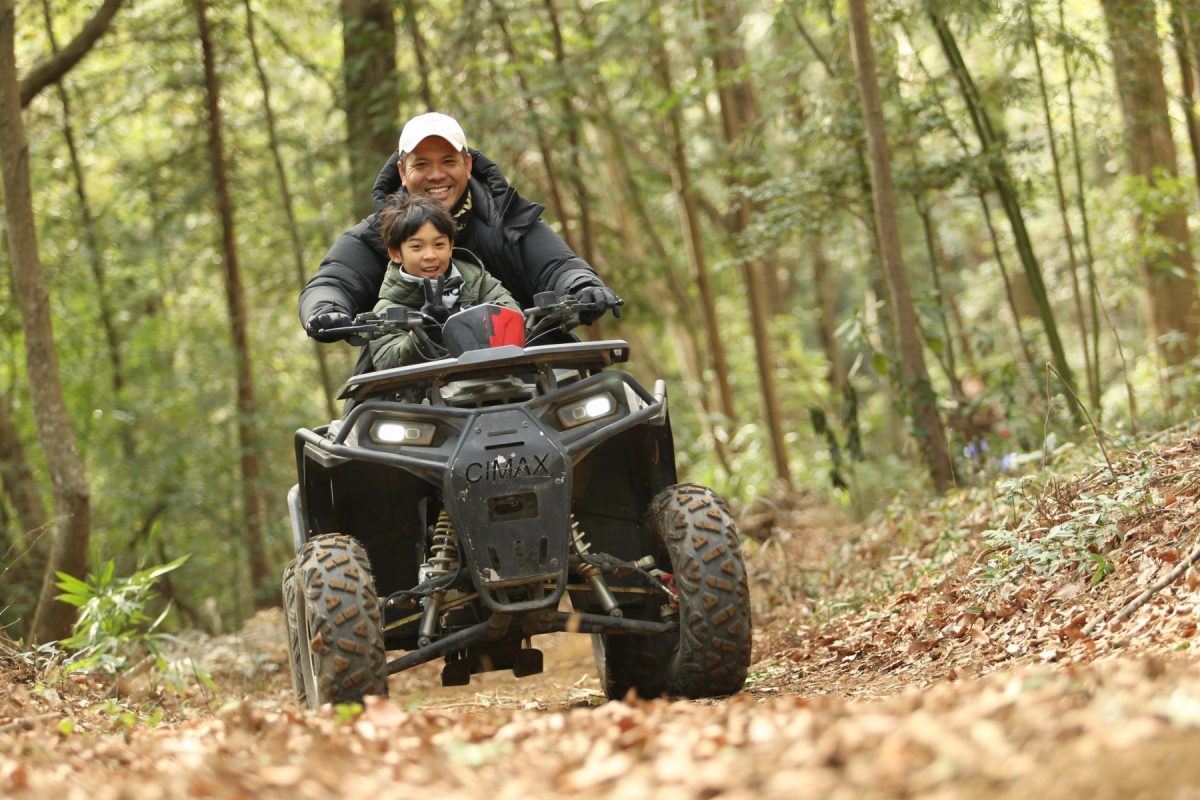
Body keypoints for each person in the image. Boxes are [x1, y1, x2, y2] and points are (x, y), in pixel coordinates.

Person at [301, 112, 621, 371]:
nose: (436, 175)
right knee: (359, 428)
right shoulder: (374, 235)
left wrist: (582, 287)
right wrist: (326, 310)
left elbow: (558, 265)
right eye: (421, 164)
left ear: (467, 165)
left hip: (523, 366)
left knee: (608, 408)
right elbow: (332, 281)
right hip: (409, 386)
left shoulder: (508, 219)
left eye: (448, 161)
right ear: (402, 171)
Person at [369, 194, 520, 369]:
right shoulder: (387, 309)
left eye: (439, 244)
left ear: (451, 246)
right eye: (417, 247)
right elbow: (387, 362)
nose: (430, 255)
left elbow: (514, 318)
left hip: (494, 378)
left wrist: (469, 325)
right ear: (395, 253)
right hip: (431, 386)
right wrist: (425, 334)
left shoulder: (477, 281)